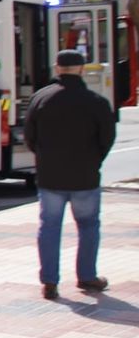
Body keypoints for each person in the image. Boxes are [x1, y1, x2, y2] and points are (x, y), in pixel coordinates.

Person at [26, 48, 118, 299]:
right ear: (81, 69)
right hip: (85, 177)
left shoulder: (40, 99)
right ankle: (87, 277)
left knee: (49, 227)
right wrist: (93, 161)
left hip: (50, 177)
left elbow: (30, 138)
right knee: (88, 225)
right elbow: (107, 139)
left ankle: (50, 282)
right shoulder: (97, 102)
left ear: (57, 69)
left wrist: (45, 158)